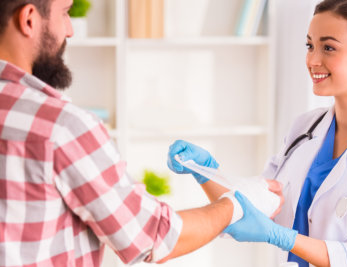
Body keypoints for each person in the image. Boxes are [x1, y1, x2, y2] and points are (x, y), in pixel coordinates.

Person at [0, 0, 255, 265]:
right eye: (64, 13)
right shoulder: (61, 127)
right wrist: (235, 205)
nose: (70, 30)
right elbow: (153, 236)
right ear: (29, 19)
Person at [168, 0, 347, 266]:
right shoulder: (304, 129)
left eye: (328, 47)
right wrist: (205, 171)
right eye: (309, 45)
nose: (313, 60)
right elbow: (256, 208)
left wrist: (284, 238)